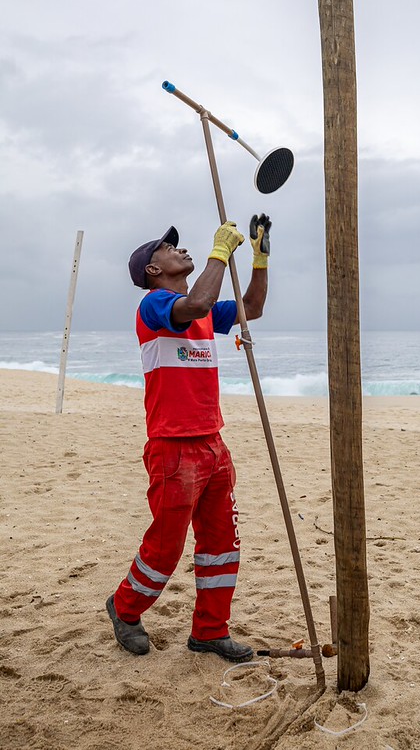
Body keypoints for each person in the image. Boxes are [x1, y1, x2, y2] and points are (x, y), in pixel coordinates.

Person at [106, 214, 272, 663]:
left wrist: (259, 260)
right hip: (173, 447)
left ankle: (210, 631)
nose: (179, 249)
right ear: (153, 270)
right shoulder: (155, 305)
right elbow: (197, 304)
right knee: (166, 546)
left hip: (213, 442)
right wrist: (220, 250)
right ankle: (124, 608)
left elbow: (252, 308)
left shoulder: (204, 310)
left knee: (222, 543)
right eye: (168, 248)